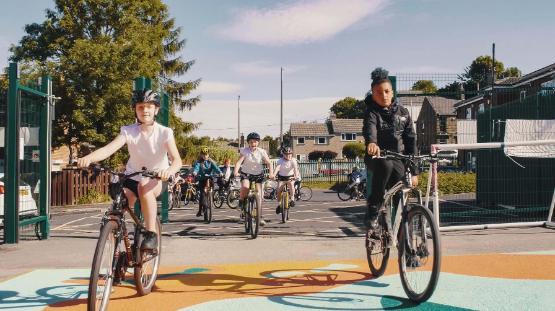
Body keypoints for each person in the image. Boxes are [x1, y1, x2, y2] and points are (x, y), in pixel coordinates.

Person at [77, 89, 182, 250]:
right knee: (119, 200)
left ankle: (151, 233)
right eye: (140, 107)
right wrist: (89, 158)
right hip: (132, 176)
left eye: (149, 107)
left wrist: (168, 171)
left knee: (144, 188)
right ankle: (116, 230)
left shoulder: (165, 133)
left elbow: (177, 161)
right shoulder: (128, 131)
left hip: (156, 178)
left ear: (156, 110)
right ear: (135, 109)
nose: (145, 110)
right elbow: (108, 149)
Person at [362, 67, 419, 229]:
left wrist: (414, 172)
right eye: (379, 93)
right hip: (377, 157)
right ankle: (373, 208)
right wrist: (372, 142)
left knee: (401, 196)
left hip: (398, 158)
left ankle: (406, 242)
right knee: (385, 165)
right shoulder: (371, 113)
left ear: (392, 92)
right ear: (373, 94)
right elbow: (370, 128)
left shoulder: (404, 113)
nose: (384, 96)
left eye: (387, 91)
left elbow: (411, 141)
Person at [233, 132, 274, 225]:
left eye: (255, 142)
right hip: (246, 174)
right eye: (251, 142)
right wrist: (236, 172)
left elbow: (269, 163)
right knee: (245, 187)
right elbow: (239, 163)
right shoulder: (245, 151)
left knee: (259, 195)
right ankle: (242, 202)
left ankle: (259, 217)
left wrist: (271, 173)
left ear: (258, 142)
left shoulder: (262, 152)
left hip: (258, 175)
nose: (253, 144)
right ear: (248, 143)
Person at [192, 146, 222, 217]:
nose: (205, 156)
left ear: (208, 155)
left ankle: (211, 196)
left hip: (210, 178)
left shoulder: (211, 162)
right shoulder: (199, 162)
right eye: (203, 154)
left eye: (206, 154)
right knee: (202, 195)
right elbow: (196, 168)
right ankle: (200, 210)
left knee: (210, 188)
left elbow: (216, 168)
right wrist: (195, 172)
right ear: (201, 155)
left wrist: (220, 172)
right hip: (202, 179)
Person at [270, 146, 300, 214]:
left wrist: (295, 176)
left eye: (290, 154)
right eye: (286, 154)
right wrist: (273, 175)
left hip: (290, 177)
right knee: (278, 190)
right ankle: (279, 205)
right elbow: (277, 168)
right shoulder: (280, 160)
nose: (288, 155)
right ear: (283, 154)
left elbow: (295, 169)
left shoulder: (293, 160)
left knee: (291, 185)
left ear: (292, 154)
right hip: (281, 177)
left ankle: (292, 199)